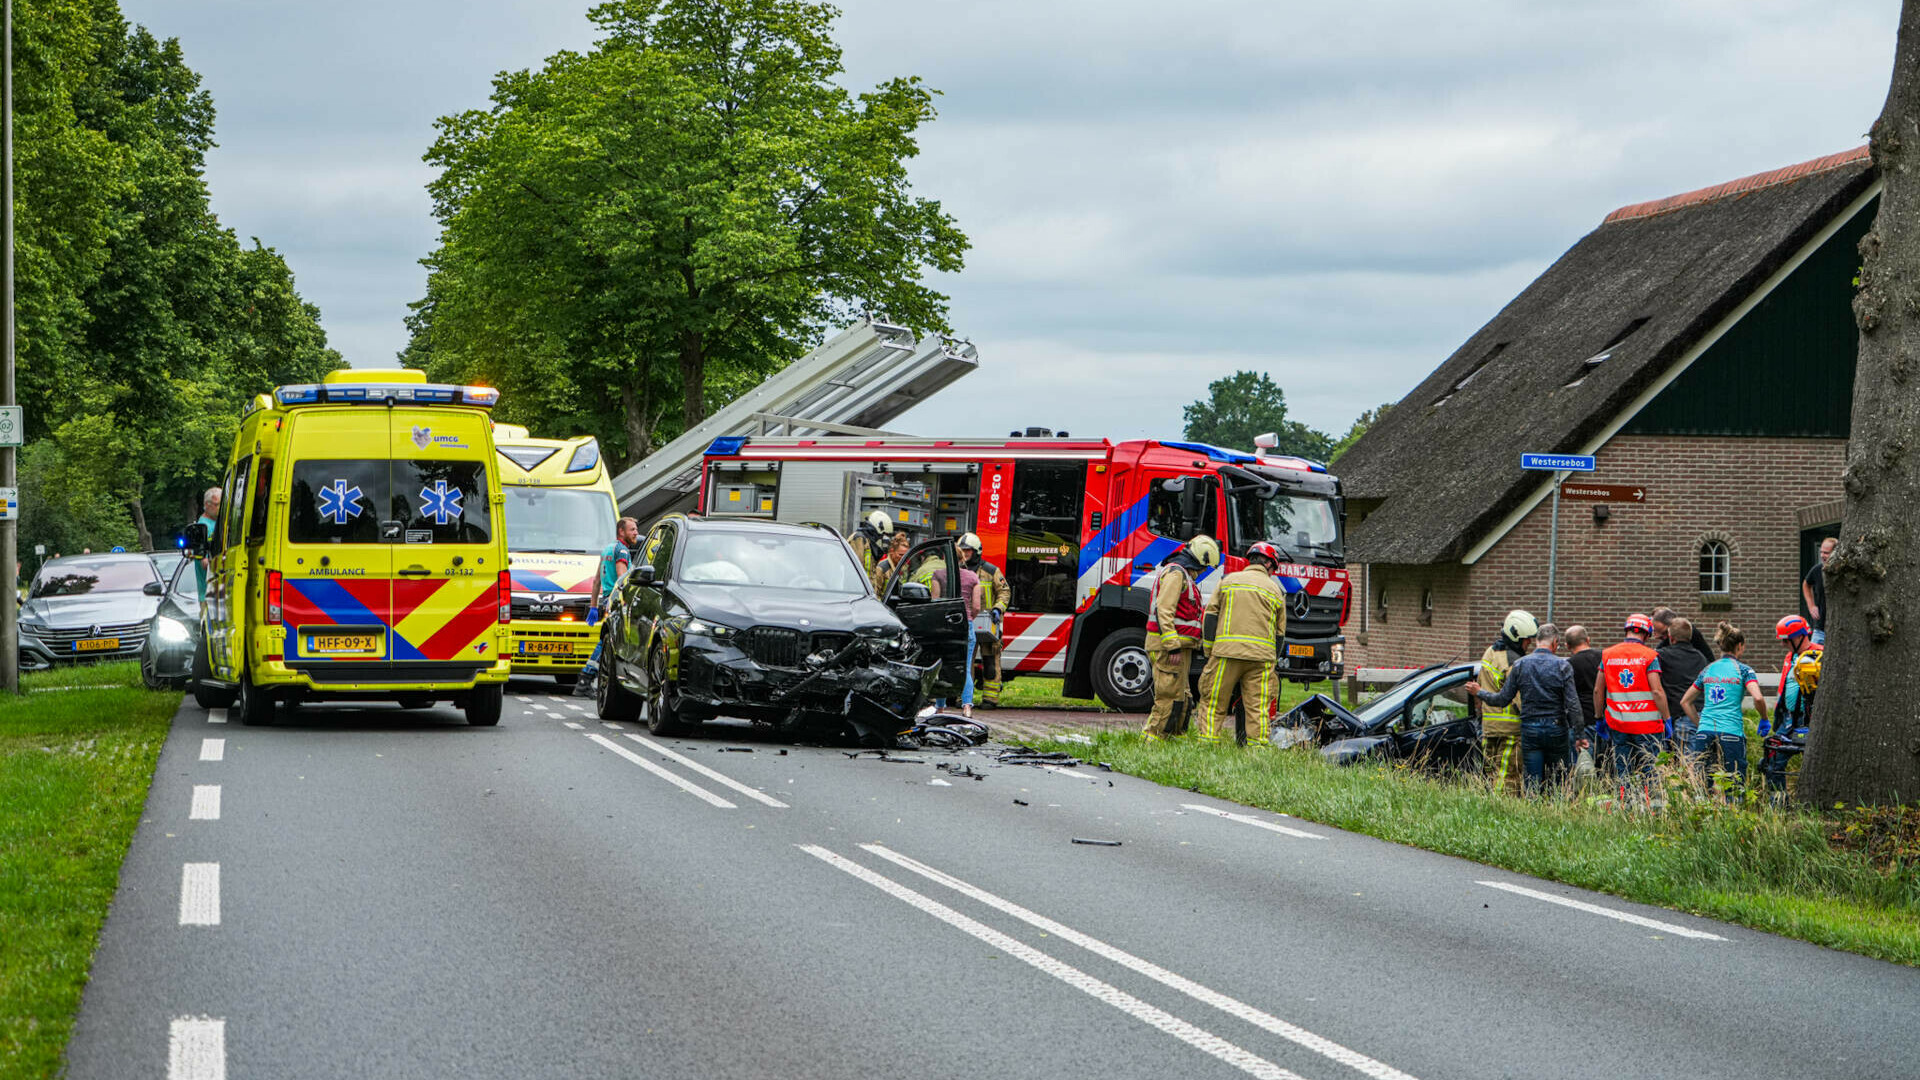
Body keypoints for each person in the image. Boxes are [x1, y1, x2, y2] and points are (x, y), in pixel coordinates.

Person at [1465, 621, 1587, 795]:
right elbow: (1573, 704)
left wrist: (1480, 692)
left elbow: (1502, 699)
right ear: (1554, 643)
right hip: (1556, 728)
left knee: (1532, 780)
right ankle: (1555, 811)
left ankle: (1533, 811)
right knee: (1558, 779)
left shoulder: (1521, 665)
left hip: (1530, 730)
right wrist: (1580, 735)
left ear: (1537, 641)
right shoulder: (1562, 666)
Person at [1194, 541, 1286, 746]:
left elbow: (1210, 617)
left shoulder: (1228, 581)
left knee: (1214, 701)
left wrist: (1209, 649)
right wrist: (1273, 660)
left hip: (1226, 654)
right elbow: (1280, 634)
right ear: (1270, 565)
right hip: (1261, 659)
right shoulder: (1276, 590)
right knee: (1258, 707)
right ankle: (1257, 749)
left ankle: (1208, 744)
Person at [1142, 534, 1216, 740]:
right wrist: (1172, 645)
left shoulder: (1183, 576)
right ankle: (1152, 738)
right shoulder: (1176, 574)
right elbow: (1164, 610)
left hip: (1181, 647)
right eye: (1205, 566)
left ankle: (1173, 736)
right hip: (1168, 648)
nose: (1203, 572)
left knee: (1182, 696)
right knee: (1168, 695)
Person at [1681, 622, 1767, 793]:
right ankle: (1731, 811)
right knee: (1734, 785)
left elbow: (1685, 701)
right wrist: (1764, 719)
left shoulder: (1707, 670)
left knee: (1703, 784)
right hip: (1731, 732)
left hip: (1705, 731)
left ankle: (1704, 814)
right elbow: (1757, 697)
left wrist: (1702, 724)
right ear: (1740, 646)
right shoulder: (1744, 671)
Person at [1596, 613, 1668, 806]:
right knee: (1650, 768)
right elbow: (1657, 691)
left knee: (1623, 768)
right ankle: (1653, 807)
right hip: (1648, 726)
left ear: (1626, 630)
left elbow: (1597, 690)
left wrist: (1598, 718)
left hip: (1619, 724)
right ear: (1647, 634)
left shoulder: (1607, 655)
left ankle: (1625, 805)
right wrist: (1667, 719)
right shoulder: (1650, 656)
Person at [575, 516, 640, 697]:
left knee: (606, 641)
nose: (636, 533)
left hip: (606, 600)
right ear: (622, 531)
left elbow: (597, 581)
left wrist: (594, 606)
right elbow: (622, 580)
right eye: (632, 530)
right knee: (608, 642)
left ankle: (587, 679)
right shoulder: (623, 551)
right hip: (617, 602)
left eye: (636, 529)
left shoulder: (607, 549)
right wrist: (626, 603)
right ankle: (585, 679)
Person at [1476, 610, 1536, 797]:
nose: (1529, 643)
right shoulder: (1514, 662)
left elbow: (1480, 685)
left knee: (1491, 772)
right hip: (1511, 729)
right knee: (1509, 775)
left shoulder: (1491, 652)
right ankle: (1503, 809)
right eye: (1527, 639)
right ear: (1516, 637)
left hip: (1489, 726)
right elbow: (1519, 698)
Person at [1764, 615, 1822, 789]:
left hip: (1809, 720)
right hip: (1789, 720)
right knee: (1772, 762)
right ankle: (1779, 804)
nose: (1783, 645)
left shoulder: (1818, 654)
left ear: (1799, 636)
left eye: (1786, 640)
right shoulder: (1790, 657)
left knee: (1814, 765)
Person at [958, 533, 1010, 707]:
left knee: (990, 661)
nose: (965, 555)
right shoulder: (958, 571)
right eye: (962, 551)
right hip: (967, 621)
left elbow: (1004, 591)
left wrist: (997, 609)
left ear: (977, 551)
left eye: (968, 551)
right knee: (965, 663)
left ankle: (990, 698)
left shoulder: (991, 570)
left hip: (988, 622)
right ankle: (963, 698)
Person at [930, 554, 984, 718]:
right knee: (966, 667)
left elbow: (935, 602)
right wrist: (968, 618)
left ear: (945, 558)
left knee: (943, 667)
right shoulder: (973, 577)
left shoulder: (938, 575)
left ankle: (940, 708)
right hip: (964, 624)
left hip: (945, 626)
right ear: (963, 559)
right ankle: (967, 707)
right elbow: (976, 607)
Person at [1657, 616, 1710, 749]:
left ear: (1671, 638)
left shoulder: (1662, 656)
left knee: (1688, 764)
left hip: (1681, 717)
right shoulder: (1701, 657)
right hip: (1702, 716)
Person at [1564, 625, 1605, 773]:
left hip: (1581, 724)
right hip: (1605, 722)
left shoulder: (1568, 665)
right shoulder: (1604, 657)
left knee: (1582, 770)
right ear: (1588, 640)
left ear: (1567, 645)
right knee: (1605, 767)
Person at [1802, 537, 1837, 645]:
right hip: (1820, 629)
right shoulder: (1817, 570)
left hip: (1839, 629)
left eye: (1826, 553)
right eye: (1821, 552)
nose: (1822, 555)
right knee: (1812, 659)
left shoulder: (1844, 572)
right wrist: (1811, 606)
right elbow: (1806, 584)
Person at [849, 510, 894, 589]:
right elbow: (854, 571)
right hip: (857, 591)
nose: (882, 538)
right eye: (882, 535)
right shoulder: (859, 539)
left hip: (866, 592)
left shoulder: (868, 542)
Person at [194, 486, 221, 602]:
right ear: (207, 504)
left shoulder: (219, 523)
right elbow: (204, 563)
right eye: (217, 504)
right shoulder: (201, 528)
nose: (220, 508)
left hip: (221, 594)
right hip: (208, 595)